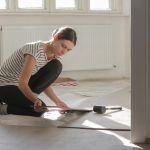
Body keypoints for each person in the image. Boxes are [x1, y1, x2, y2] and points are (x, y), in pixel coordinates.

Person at [0, 26, 77, 117]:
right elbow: (23, 83)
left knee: (56, 65)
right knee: (39, 110)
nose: (64, 51)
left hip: (19, 85)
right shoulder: (35, 51)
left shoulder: (54, 56)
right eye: (63, 46)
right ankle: (3, 109)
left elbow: (44, 83)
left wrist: (58, 102)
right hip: (5, 85)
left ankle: (25, 102)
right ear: (55, 38)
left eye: (68, 49)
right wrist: (34, 100)